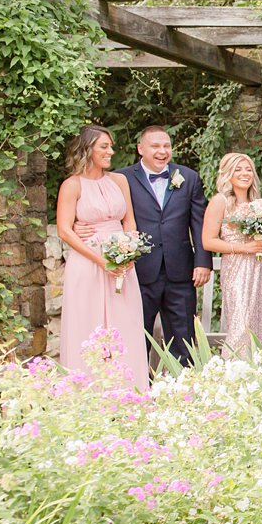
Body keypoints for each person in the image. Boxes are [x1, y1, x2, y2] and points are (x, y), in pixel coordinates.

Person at [102, 126, 211, 366]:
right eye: (155, 146)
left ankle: (182, 390)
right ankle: (139, 392)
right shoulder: (122, 178)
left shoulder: (188, 177)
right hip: (137, 271)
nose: (162, 151)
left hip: (181, 272)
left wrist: (203, 262)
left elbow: (199, 222)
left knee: (184, 336)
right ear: (141, 149)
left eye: (166, 146)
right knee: (136, 334)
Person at [54, 124, 149, 384]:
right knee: (88, 324)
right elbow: (64, 229)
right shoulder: (72, 185)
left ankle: (129, 390)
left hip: (122, 266)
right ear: (88, 150)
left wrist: (129, 252)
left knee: (125, 323)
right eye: (104, 146)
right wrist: (102, 261)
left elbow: (129, 221)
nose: (111, 151)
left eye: (111, 145)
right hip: (88, 264)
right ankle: (86, 393)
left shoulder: (119, 181)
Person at [202, 153, 262, 356]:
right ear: (228, 174)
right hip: (237, 266)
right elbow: (208, 241)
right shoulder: (220, 202)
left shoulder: (259, 203)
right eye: (238, 169)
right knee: (241, 323)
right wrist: (243, 248)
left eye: (247, 169)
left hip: (261, 267)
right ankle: (234, 376)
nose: (244, 173)